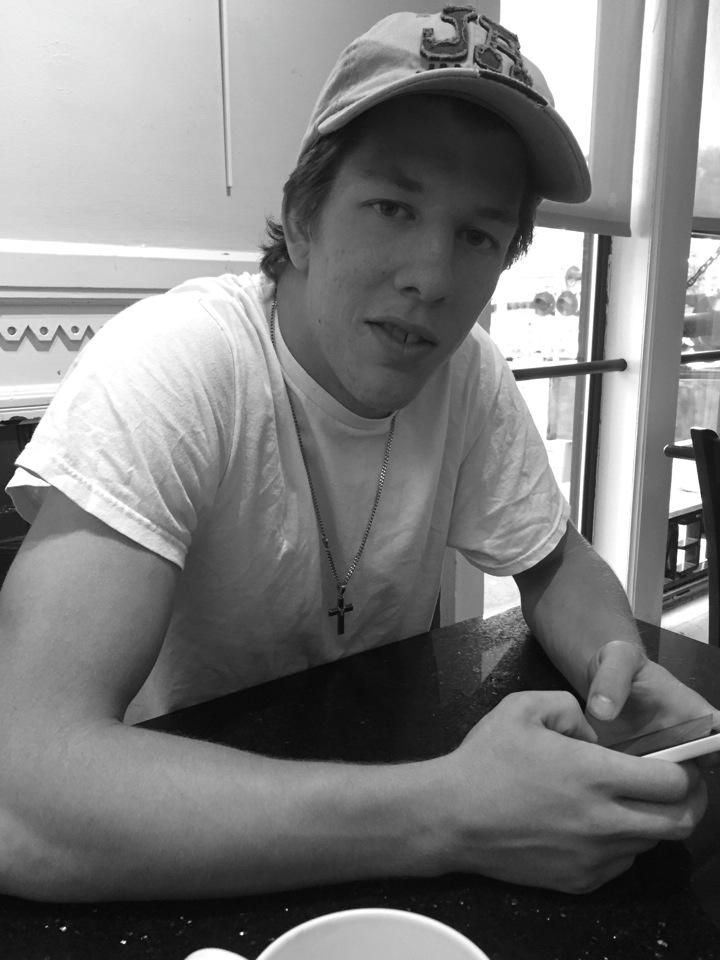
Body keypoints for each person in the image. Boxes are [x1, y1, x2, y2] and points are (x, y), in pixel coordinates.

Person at [0, 6, 715, 903]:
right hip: (163, 840)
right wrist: (449, 814)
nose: (432, 278)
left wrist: (618, 670)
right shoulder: (175, 364)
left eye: (478, 235)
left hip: (374, 804)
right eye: (392, 207)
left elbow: (551, 559)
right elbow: (21, 796)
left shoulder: (467, 373)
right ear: (303, 219)